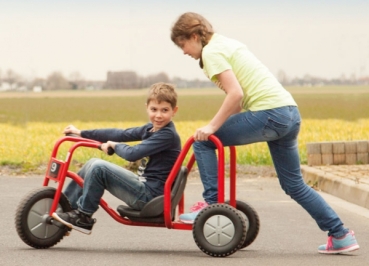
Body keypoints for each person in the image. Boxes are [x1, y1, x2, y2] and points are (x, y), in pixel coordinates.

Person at [170, 12, 359, 254]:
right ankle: (340, 235)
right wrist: (214, 126)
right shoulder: (227, 43)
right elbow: (238, 103)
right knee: (293, 184)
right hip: (289, 113)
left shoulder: (211, 52)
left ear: (194, 36)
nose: (184, 51)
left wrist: (211, 128)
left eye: (182, 44)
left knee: (204, 143)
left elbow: (235, 94)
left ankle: (210, 204)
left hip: (269, 113)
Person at [52, 82, 181, 235]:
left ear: (174, 111)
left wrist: (114, 145)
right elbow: (120, 134)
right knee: (91, 163)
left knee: (98, 168)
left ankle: (83, 216)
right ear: (147, 107)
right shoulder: (150, 129)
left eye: (164, 110)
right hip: (144, 187)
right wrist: (81, 133)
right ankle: (64, 209)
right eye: (154, 109)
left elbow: (133, 153)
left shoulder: (167, 135)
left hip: (150, 197)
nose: (158, 115)